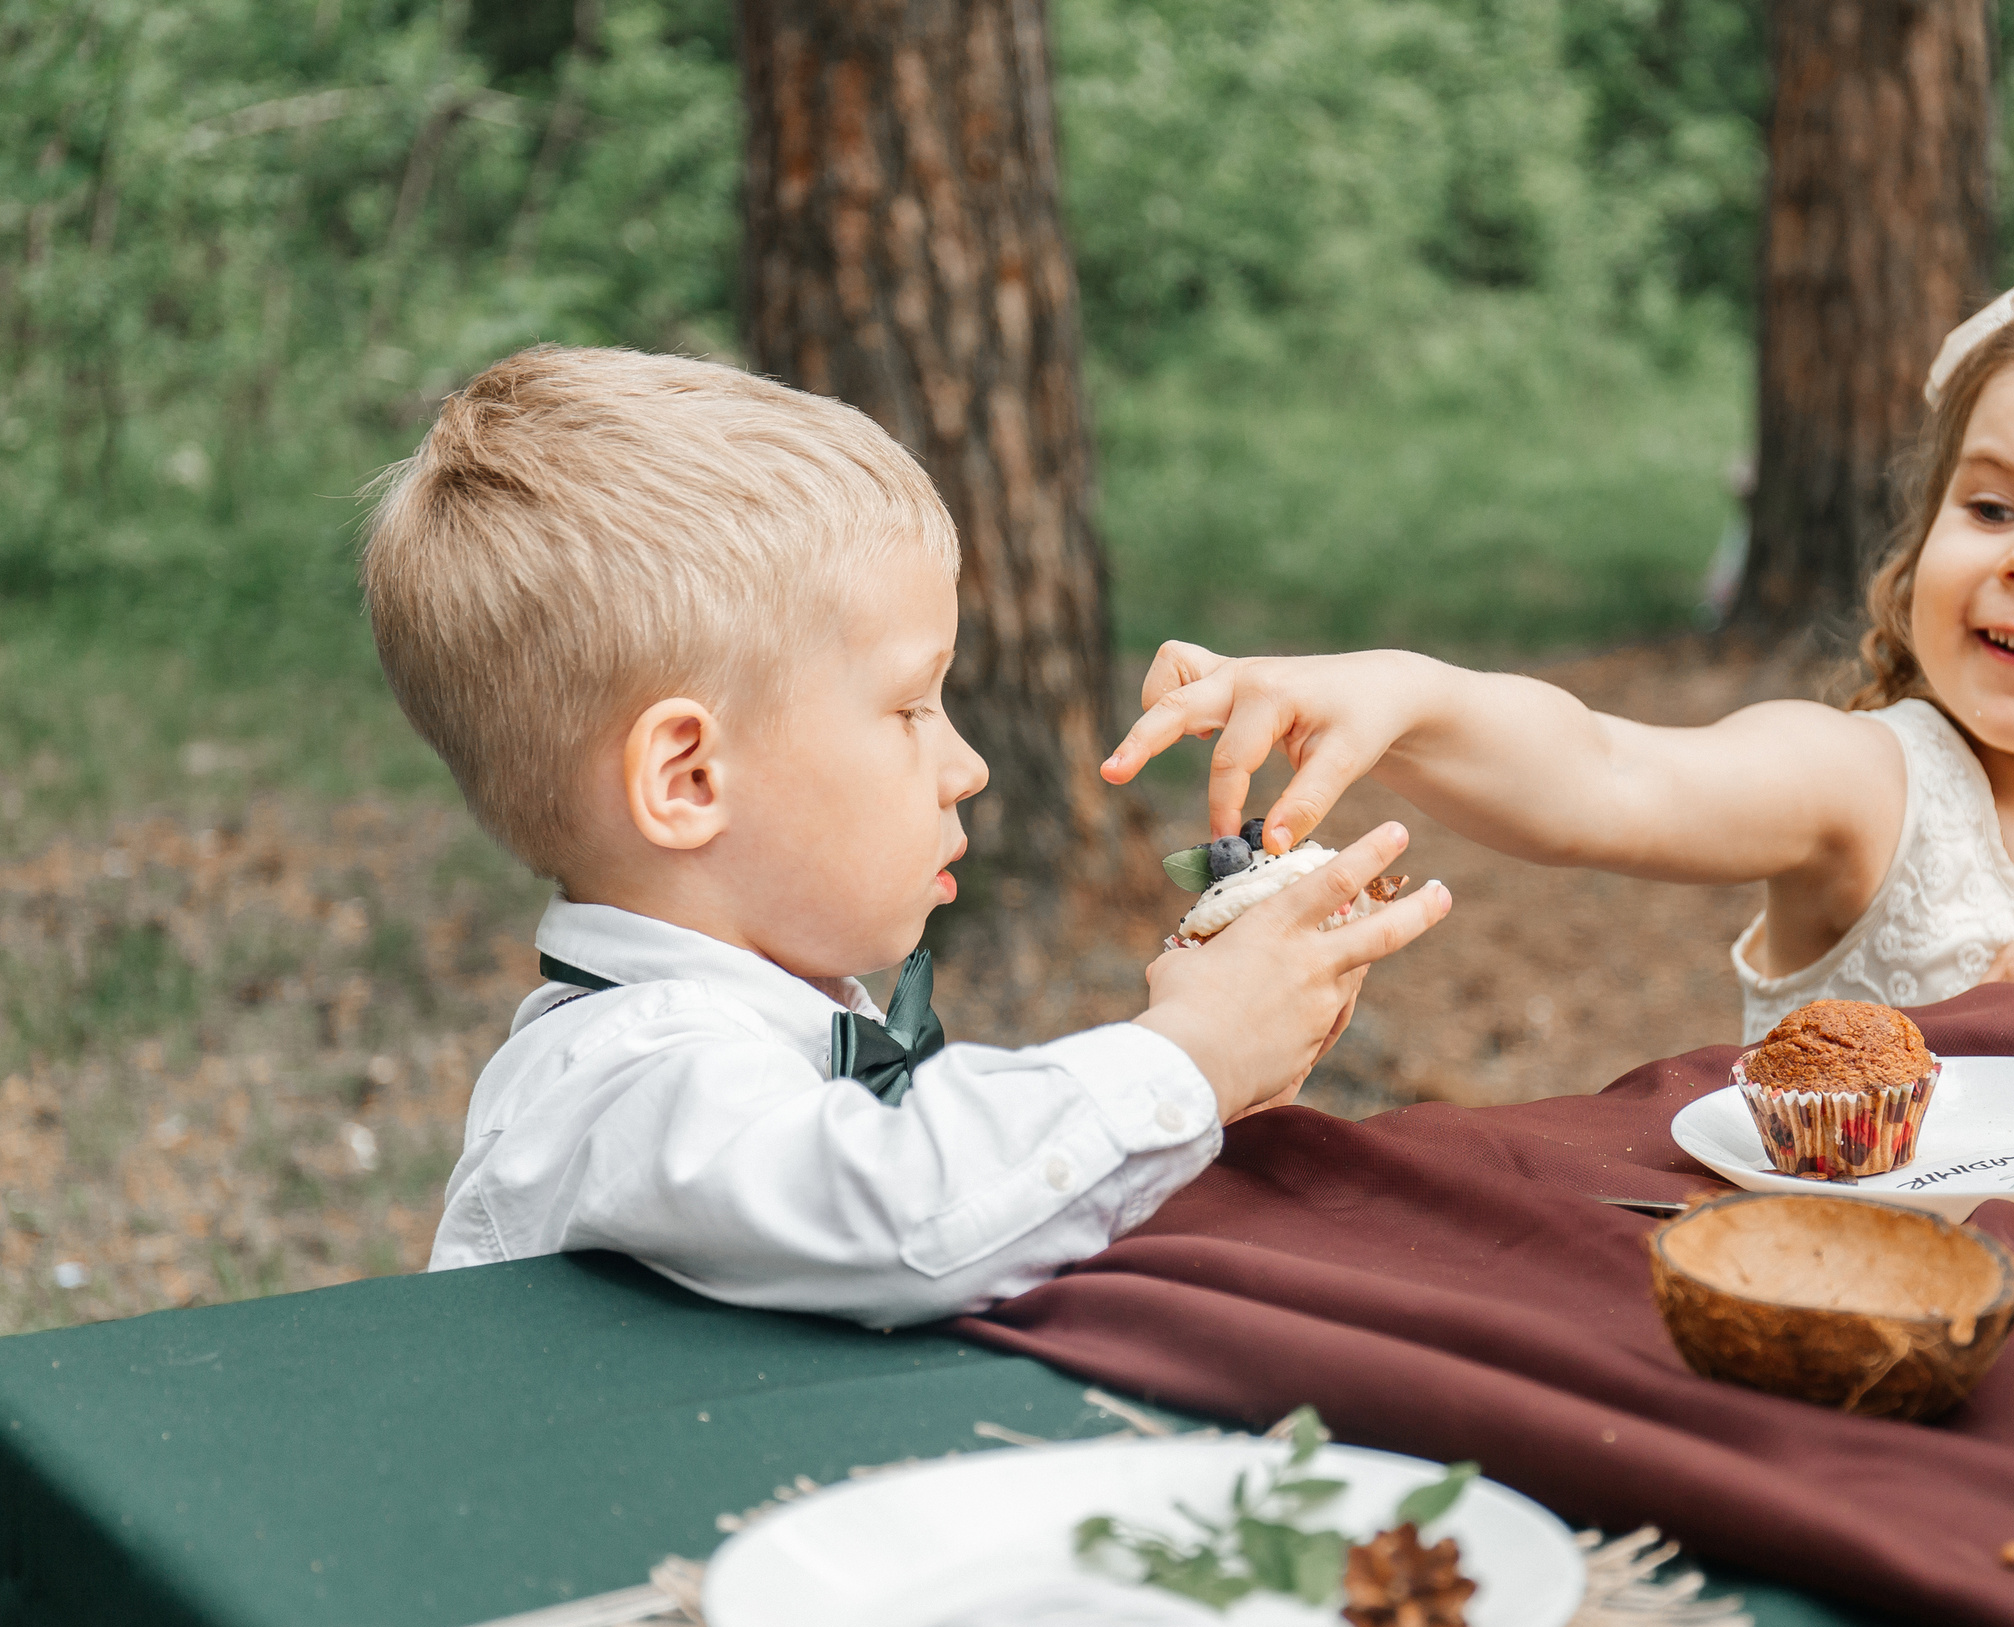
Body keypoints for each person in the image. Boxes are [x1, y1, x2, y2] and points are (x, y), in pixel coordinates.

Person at [1099, 227, 2014, 1043]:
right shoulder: (1876, 788)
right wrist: (1412, 695)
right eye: (1991, 507)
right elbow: (1606, 773)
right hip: (1859, 1334)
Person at [362, 346, 1449, 1325]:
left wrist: (1239, 1074)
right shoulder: (623, 1076)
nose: (967, 765)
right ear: (689, 777)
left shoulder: (784, 1007)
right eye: (910, 709)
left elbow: (985, 1224)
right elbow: (904, 1210)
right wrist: (1185, 1057)